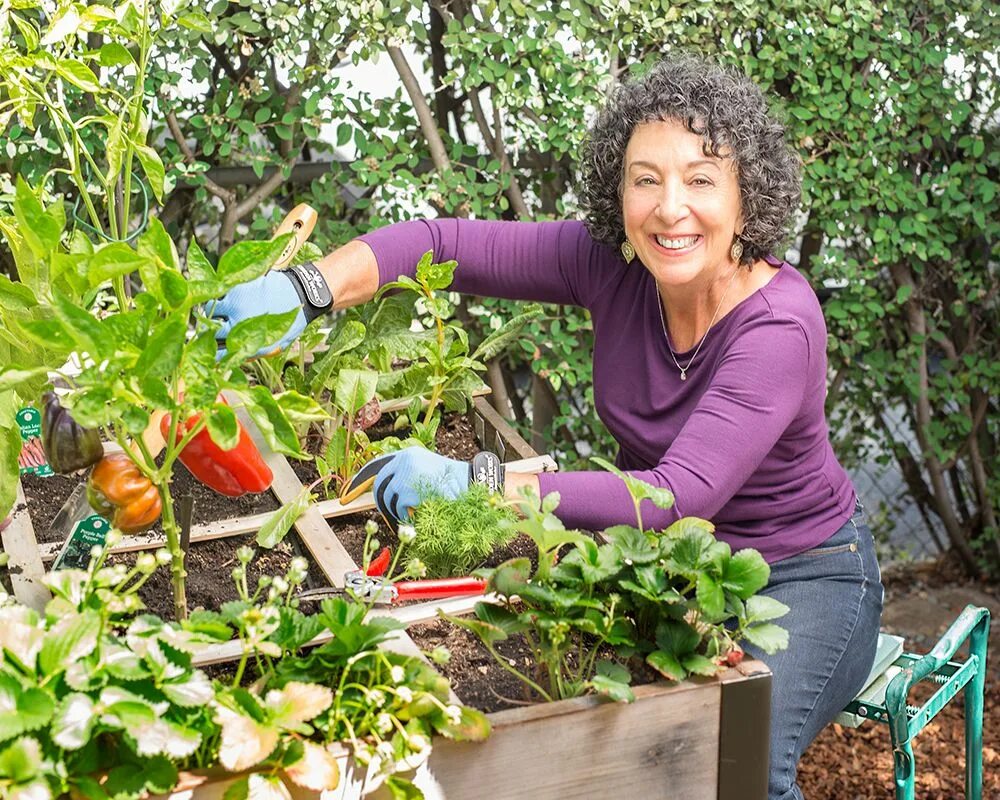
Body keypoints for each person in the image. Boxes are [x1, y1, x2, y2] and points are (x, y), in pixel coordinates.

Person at [211, 55, 883, 799]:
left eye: (700, 179)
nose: (670, 207)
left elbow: (672, 495)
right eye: (645, 178)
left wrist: (478, 480)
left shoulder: (778, 327)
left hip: (802, 575)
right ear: (617, 189)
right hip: (665, 565)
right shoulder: (614, 266)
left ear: (747, 197)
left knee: (738, 764)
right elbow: (442, 243)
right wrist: (305, 289)